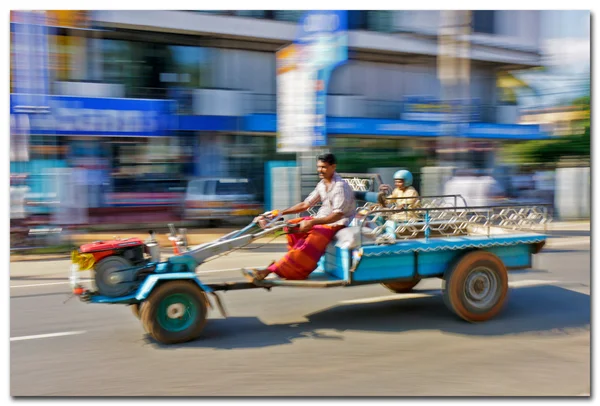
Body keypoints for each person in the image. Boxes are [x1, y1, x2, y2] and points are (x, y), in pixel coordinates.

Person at [243, 153, 356, 282]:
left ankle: (270, 270)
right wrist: (280, 213)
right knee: (291, 226)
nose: (320, 170)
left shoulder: (340, 187)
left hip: (336, 223)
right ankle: (292, 263)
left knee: (308, 243)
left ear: (333, 167)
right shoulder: (322, 184)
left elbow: (337, 215)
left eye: (324, 167)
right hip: (322, 219)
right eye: (319, 167)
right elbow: (305, 204)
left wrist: (313, 222)